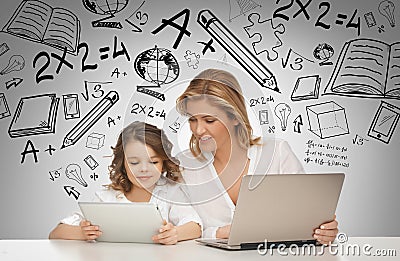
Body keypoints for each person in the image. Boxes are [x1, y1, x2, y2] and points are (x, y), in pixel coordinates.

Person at [175, 68, 338, 245]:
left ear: (235, 117)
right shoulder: (183, 166)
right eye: (192, 119)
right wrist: (219, 233)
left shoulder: (277, 153)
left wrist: (323, 232)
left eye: (209, 120)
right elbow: (180, 230)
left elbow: (307, 218)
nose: (198, 130)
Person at [49, 121, 202, 245]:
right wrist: (82, 233)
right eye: (134, 162)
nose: (144, 169)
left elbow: (195, 227)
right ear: (122, 164)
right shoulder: (107, 198)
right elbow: (56, 233)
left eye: (153, 162)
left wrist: (175, 234)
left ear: (163, 162)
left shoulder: (170, 192)